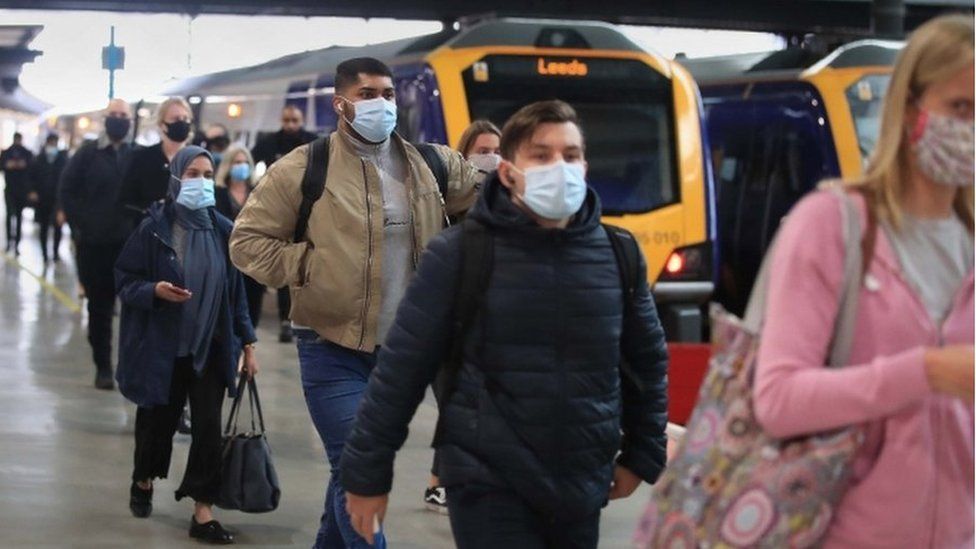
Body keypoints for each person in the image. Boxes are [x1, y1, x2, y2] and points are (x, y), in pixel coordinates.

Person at [341, 100, 669, 549]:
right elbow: (401, 370)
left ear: (585, 166)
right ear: (509, 170)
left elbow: (647, 363)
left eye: (570, 155)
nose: (559, 166)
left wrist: (642, 453)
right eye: (541, 154)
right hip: (487, 482)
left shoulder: (618, 254)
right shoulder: (459, 254)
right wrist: (367, 476)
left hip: (584, 480)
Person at [230, 57, 482, 549]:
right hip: (330, 345)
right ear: (340, 103)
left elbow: (495, 207)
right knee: (357, 469)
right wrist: (310, 268)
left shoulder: (430, 166)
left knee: (349, 469)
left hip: (401, 357)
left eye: (388, 94)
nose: (381, 104)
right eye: (367, 94)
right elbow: (246, 242)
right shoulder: (305, 166)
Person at [753, 15, 973, 548]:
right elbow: (778, 399)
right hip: (840, 533)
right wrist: (925, 371)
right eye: (961, 108)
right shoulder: (834, 224)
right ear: (910, 111)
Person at [115, 146, 258, 545]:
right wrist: (154, 290)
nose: (200, 181)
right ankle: (142, 480)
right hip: (164, 349)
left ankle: (203, 510)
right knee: (156, 426)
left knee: (209, 430)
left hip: (211, 347)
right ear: (176, 178)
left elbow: (236, 296)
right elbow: (124, 281)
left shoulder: (223, 229)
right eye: (192, 173)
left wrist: (248, 343)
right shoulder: (155, 228)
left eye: (207, 173)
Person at [422, 118, 504, 514]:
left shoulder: (509, 208)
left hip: (490, 325)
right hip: (448, 324)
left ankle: (450, 479)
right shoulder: (444, 205)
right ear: (464, 156)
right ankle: (440, 481)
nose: (491, 158)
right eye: (482, 151)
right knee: (455, 402)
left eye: (496, 150)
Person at [59, 99, 134, 390]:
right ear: (105, 119)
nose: (118, 120)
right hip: (94, 245)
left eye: (123, 116)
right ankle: (103, 365)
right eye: (113, 115)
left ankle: (129, 367)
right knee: (100, 308)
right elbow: (67, 190)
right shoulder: (88, 153)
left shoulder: (135, 154)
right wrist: (82, 225)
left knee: (132, 310)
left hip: (129, 247)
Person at [250, 104, 318, 344]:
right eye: (287, 120)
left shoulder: (314, 143)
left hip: (309, 210)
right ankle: (285, 320)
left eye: (295, 120)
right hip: (279, 210)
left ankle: (306, 316)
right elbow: (252, 161)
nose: (290, 124)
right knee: (286, 264)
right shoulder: (269, 142)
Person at [214, 144, 266, 328]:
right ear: (228, 164)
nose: (241, 166)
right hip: (225, 256)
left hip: (253, 259)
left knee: (251, 309)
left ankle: (248, 346)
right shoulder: (217, 192)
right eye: (237, 162)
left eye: (245, 162)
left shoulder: (259, 191)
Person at [119, 97, 193, 220]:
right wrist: (150, 211)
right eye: (175, 119)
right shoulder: (142, 159)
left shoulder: (198, 159)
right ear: (162, 125)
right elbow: (125, 202)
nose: (182, 122)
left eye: (185, 118)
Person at [28, 133, 68, 264]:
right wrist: (33, 191)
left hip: (58, 200)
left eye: (55, 143)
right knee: (44, 227)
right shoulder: (38, 159)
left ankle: (55, 253)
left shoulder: (63, 160)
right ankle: (45, 254)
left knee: (58, 227)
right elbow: (31, 177)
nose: (53, 146)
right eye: (51, 143)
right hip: (42, 199)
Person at [1, 132, 33, 255]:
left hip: (21, 190)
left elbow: (31, 168)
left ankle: (17, 244)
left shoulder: (27, 153)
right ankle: (9, 242)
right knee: (10, 216)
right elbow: (2, 165)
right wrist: (8, 165)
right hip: (10, 189)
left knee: (19, 217)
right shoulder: (6, 152)